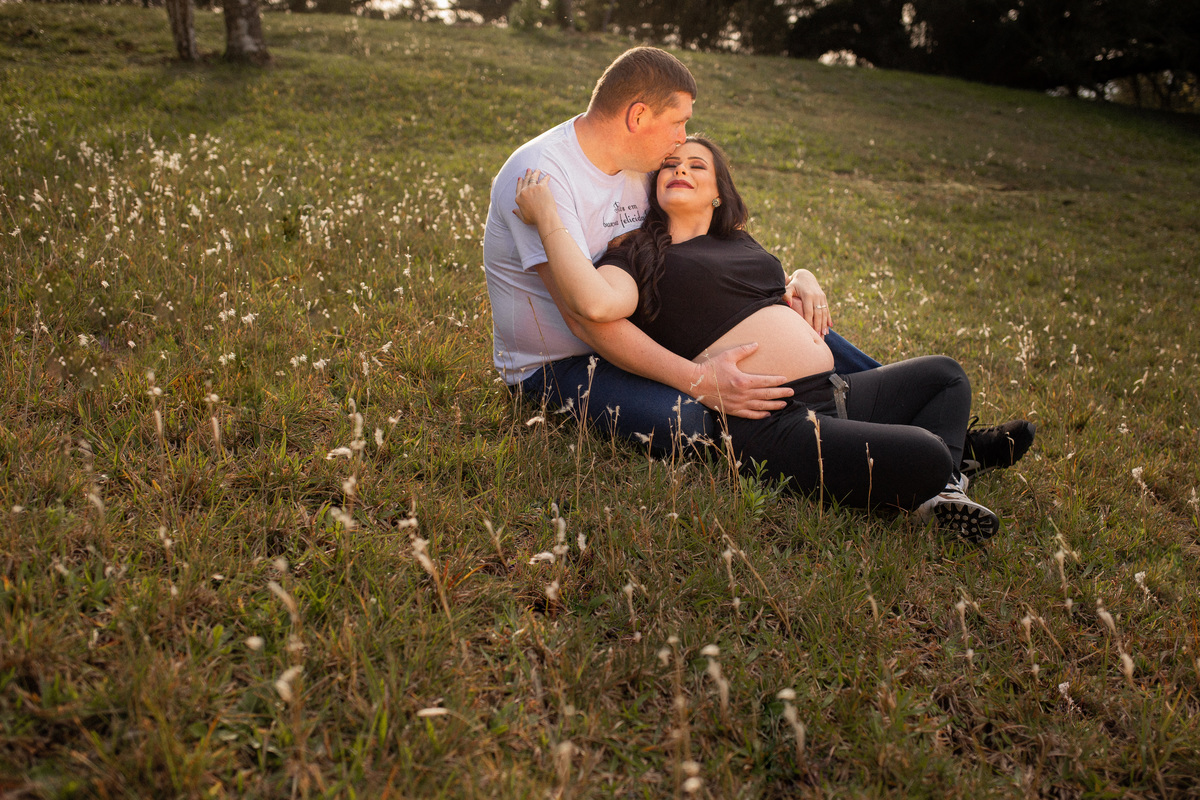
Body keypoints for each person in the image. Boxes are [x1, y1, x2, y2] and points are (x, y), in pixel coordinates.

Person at [483, 45, 1034, 474]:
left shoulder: (641, 165)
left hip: (640, 322)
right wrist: (699, 380)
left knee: (800, 322)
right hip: (563, 363)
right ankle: (891, 444)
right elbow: (587, 319)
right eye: (678, 123)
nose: (682, 141)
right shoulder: (540, 178)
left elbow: (705, 246)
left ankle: (929, 426)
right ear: (638, 115)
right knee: (696, 424)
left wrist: (789, 283)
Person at [513, 135, 1020, 539]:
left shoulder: (738, 242)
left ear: (718, 191)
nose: (680, 169)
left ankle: (946, 490)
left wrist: (803, 276)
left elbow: (770, 291)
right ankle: (948, 470)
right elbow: (596, 305)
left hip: (834, 392)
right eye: (670, 165)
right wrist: (548, 218)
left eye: (696, 165)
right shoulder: (638, 252)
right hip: (770, 418)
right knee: (927, 453)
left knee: (946, 376)